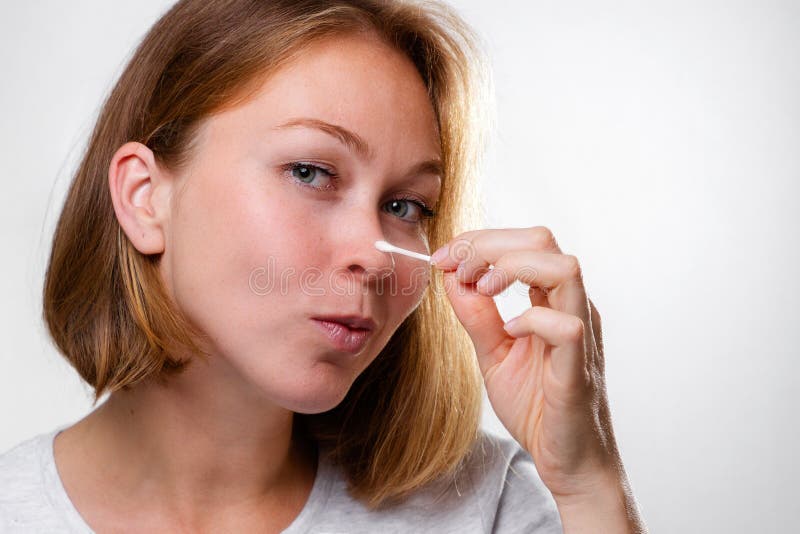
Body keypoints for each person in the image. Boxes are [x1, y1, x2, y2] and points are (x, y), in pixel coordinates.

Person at [0, 0, 647, 532]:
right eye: (310, 172)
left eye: (406, 205)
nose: (373, 252)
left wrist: (588, 484)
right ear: (146, 199)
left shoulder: (485, 508)